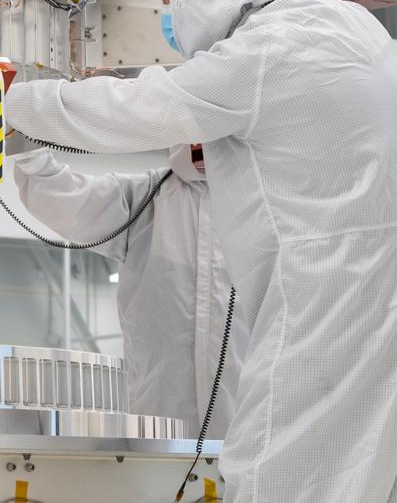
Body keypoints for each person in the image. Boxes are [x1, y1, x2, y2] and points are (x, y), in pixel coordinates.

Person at [5, 0, 397, 502]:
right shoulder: (346, 24)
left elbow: (139, 108)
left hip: (322, 298)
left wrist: (6, 99)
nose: (169, 16)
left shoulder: (263, 52)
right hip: (376, 296)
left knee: (274, 476)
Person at [14, 145, 246, 438]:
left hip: (247, 432)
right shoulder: (146, 198)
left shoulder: (263, 208)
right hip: (159, 428)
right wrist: (27, 152)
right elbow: (72, 199)